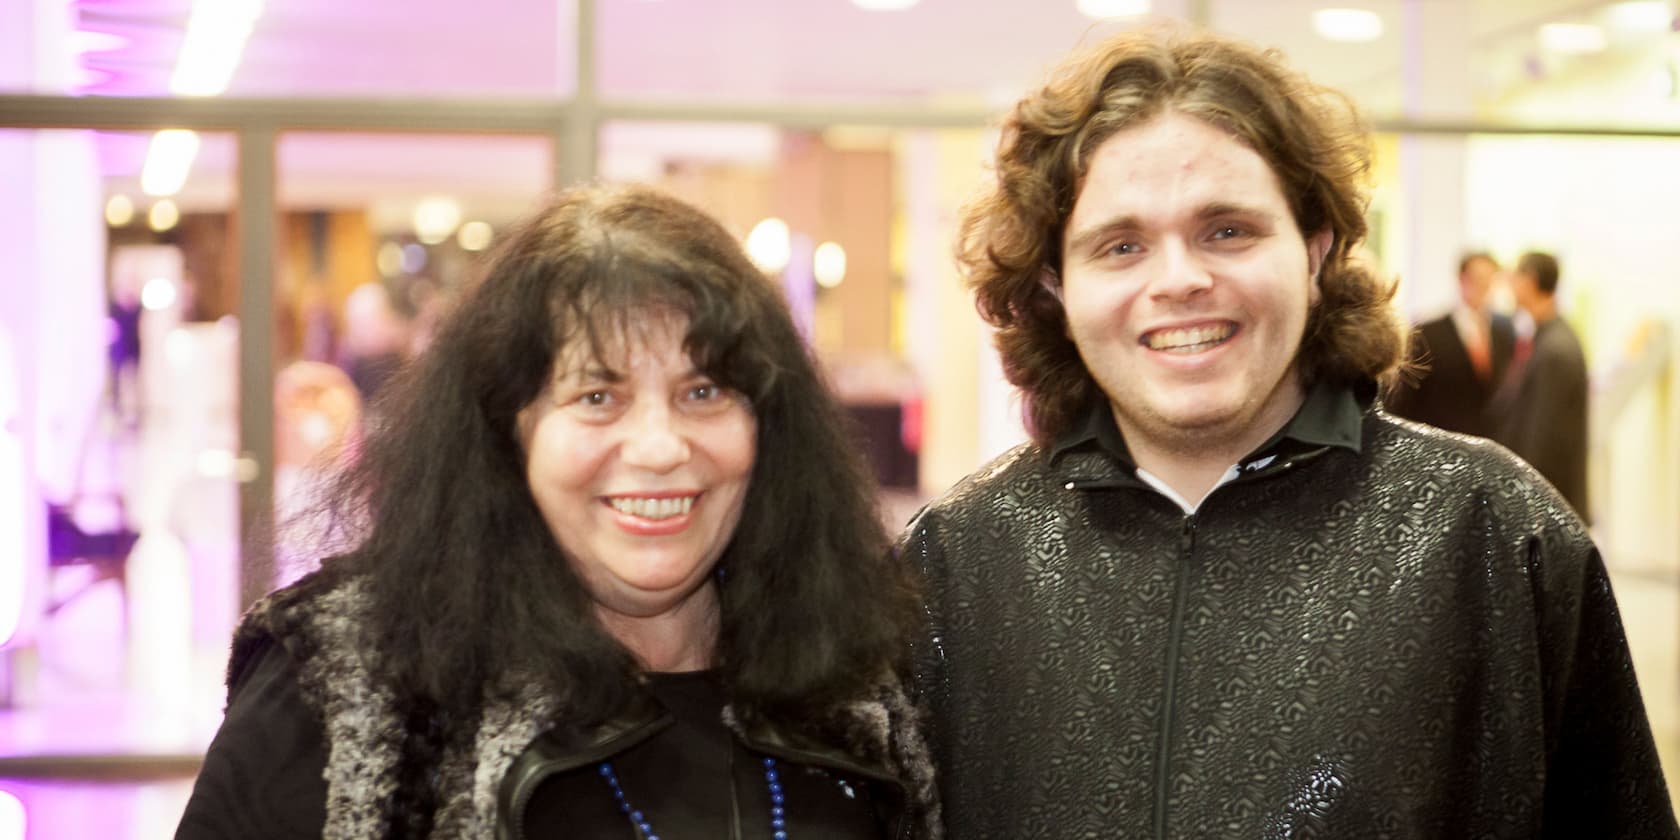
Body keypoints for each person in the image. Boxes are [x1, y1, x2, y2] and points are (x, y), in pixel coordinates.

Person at [899, 27, 1676, 838]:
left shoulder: (1493, 535)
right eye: (1121, 245)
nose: (1180, 279)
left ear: (1316, 248)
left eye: (1227, 230)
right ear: (1058, 285)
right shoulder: (957, 562)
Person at [176, 184, 939, 839]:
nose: (659, 447)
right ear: (509, 431)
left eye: (702, 392)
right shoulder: (348, 678)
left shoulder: (855, 678)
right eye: (597, 397)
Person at [1493, 250, 1590, 521]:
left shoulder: (1555, 349)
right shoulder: (1545, 338)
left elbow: (1543, 439)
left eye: (1515, 277)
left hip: (1547, 504)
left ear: (1530, 281)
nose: (1509, 286)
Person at [1386, 252, 1515, 437]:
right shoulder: (1428, 333)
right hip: (1441, 441)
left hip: (1490, 445)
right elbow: (1406, 398)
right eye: (1478, 279)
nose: (1484, 287)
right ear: (1462, 280)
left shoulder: (1505, 332)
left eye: (1489, 280)